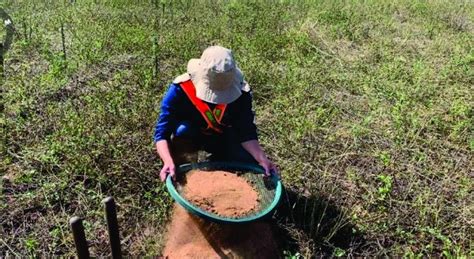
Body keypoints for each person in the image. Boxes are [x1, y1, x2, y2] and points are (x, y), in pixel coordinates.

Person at [154, 46, 277, 181]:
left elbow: (246, 131)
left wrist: (262, 158)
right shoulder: (180, 89)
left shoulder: (242, 93)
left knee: (247, 161)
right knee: (183, 131)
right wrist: (167, 161)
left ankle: (218, 162)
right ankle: (182, 169)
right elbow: (162, 133)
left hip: (223, 135)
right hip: (191, 134)